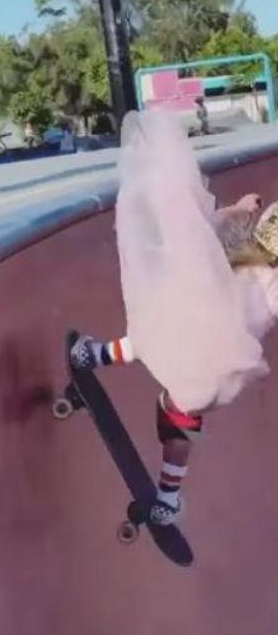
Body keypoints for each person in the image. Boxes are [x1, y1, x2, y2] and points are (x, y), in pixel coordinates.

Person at [69, 110, 275, 526]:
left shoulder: (249, 255)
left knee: (160, 330)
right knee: (182, 403)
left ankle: (93, 356)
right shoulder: (261, 266)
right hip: (220, 355)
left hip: (199, 331)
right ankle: (167, 498)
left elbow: (208, 235)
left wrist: (236, 211)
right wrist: (239, 212)